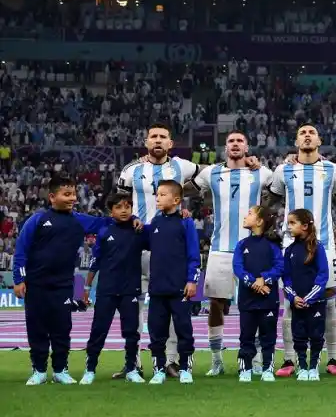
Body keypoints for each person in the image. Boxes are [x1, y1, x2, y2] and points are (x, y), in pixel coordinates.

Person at [12, 174, 140, 386]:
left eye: (74, 194)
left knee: (62, 329)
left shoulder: (79, 220)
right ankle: (39, 370)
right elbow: (21, 251)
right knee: (37, 328)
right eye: (67, 194)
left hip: (63, 285)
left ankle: (60, 370)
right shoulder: (38, 219)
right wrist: (19, 279)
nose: (73, 198)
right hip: (35, 284)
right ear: (52, 197)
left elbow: (111, 219)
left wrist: (134, 217)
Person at [117, 123, 200, 378]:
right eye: (153, 136)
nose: (158, 140)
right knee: (134, 307)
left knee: (174, 308)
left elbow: (205, 181)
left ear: (170, 143)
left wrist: (185, 207)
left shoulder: (183, 166)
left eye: (163, 137)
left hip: (171, 247)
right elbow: (121, 203)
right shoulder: (131, 170)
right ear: (145, 141)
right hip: (139, 245)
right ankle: (134, 362)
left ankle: (172, 362)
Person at [269, 123, 336, 376]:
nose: (307, 135)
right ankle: (290, 359)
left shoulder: (332, 170)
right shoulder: (283, 170)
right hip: (291, 246)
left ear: (319, 140)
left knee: (328, 302)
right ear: (296, 142)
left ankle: (333, 358)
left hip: (323, 244)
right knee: (291, 300)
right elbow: (271, 200)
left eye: (311, 133)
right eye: (302, 133)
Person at [195, 131, 274, 377]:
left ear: (247, 147)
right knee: (217, 304)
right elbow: (186, 188)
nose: (236, 144)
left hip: (254, 250)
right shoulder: (211, 173)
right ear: (225, 148)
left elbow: (280, 187)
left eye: (240, 141)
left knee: (258, 305)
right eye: (231, 141)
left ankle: (260, 359)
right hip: (221, 249)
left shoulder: (261, 173)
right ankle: (217, 360)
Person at [81, 193, 145, 385]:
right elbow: (95, 262)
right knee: (98, 331)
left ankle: (132, 369)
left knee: (132, 332)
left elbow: (161, 232)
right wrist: (86, 287)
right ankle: (90, 369)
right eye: (119, 207)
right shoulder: (103, 231)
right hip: (106, 290)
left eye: (127, 206)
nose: (124, 210)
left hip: (130, 289)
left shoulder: (139, 230)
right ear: (111, 211)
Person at [141, 180, 201, 385]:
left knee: (184, 329)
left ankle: (185, 368)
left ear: (176, 200)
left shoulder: (186, 222)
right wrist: (135, 222)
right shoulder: (155, 223)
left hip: (179, 288)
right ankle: (159, 369)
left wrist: (192, 281)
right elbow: (142, 239)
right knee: (157, 331)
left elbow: (194, 254)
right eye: (157, 194)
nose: (157, 198)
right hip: (157, 288)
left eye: (162, 194)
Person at [232, 206, 284, 383]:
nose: (245, 216)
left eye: (250, 214)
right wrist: (254, 282)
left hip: (269, 300)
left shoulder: (272, 245)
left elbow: (279, 267)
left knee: (268, 336)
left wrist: (265, 279)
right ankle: (245, 368)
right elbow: (238, 268)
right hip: (248, 300)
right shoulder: (242, 245)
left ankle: (267, 368)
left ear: (260, 221)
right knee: (246, 335)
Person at [282, 209, 330, 382]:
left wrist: (310, 298)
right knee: (299, 336)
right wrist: (293, 297)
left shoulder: (318, 247)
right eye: (288, 223)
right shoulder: (289, 251)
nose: (289, 226)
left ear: (304, 226)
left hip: (315, 302)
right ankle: (302, 366)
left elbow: (323, 274)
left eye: (292, 223)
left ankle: (314, 366)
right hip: (297, 303)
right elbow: (286, 278)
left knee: (316, 335)